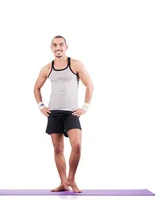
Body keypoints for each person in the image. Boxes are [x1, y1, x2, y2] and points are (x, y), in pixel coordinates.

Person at [33, 35, 94, 193]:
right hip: (54, 113)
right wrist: (41, 106)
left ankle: (71, 179)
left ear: (66, 47)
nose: (58, 48)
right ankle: (63, 183)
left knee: (77, 145)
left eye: (61, 45)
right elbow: (36, 88)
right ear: (51, 48)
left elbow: (90, 85)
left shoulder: (75, 64)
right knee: (58, 149)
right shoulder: (47, 68)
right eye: (55, 45)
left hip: (71, 113)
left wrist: (85, 107)